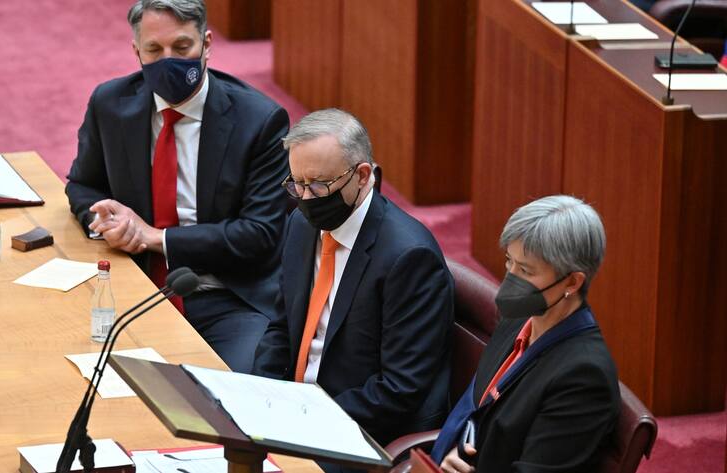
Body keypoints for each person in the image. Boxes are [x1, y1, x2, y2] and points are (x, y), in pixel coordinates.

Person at [65, 0, 290, 373]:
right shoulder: (110, 103)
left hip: (224, 294)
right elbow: (83, 186)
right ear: (136, 51)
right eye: (154, 49)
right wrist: (108, 219)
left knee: (233, 403)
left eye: (182, 48)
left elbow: (260, 234)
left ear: (207, 44)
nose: (168, 60)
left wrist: (156, 238)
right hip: (132, 283)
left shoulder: (260, 121)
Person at [253, 109, 454, 447]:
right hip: (293, 411)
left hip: (356, 430)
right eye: (296, 184)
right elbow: (283, 325)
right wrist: (261, 395)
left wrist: (302, 419)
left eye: (318, 185)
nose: (304, 199)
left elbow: (398, 389)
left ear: (362, 175)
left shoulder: (408, 258)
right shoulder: (301, 226)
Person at [432, 195, 620, 473]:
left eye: (526, 271)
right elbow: (480, 410)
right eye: (510, 262)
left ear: (572, 282)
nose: (511, 278)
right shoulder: (518, 318)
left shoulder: (583, 377)